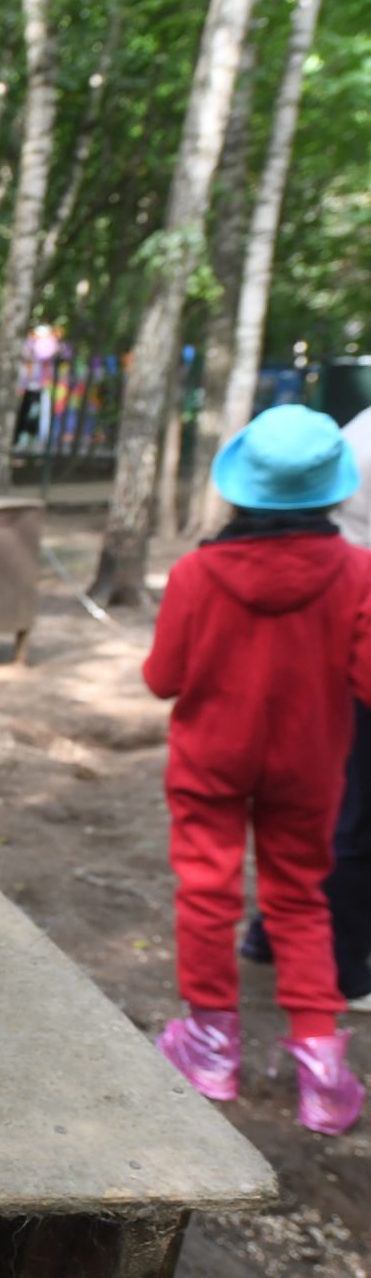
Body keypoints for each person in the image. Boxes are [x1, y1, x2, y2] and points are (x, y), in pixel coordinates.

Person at [144, 404, 371, 1136]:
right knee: (301, 899)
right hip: (310, 764)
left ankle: (210, 1050)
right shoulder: (359, 572)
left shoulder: (196, 573)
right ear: (333, 490)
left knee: (207, 893)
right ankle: (323, 1071)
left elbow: (162, 678)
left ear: (241, 487)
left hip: (211, 759)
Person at [241, 401, 371, 1011]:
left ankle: (268, 935)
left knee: (308, 815)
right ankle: (344, 971)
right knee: (350, 819)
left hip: (310, 669)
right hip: (347, 646)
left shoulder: (358, 432)